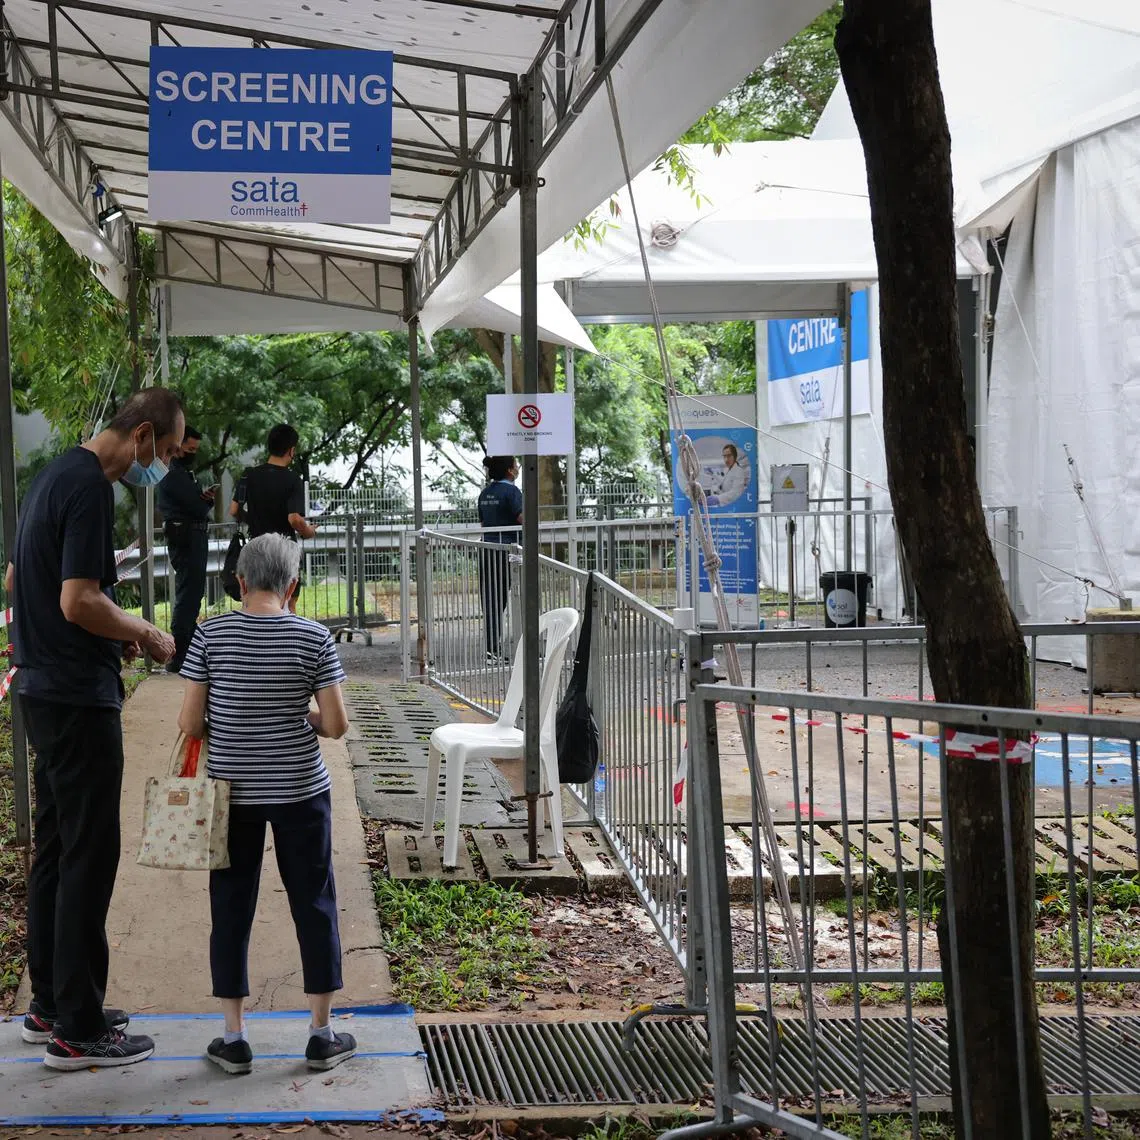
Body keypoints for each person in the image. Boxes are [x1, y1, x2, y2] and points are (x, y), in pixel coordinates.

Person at [10, 389, 182, 1070]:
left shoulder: (53, 474)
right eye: (165, 453)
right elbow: (78, 599)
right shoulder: (89, 489)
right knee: (89, 854)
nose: (162, 467)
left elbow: (30, 578)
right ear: (140, 435)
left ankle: (52, 1001)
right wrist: (144, 629)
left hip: (42, 690)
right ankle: (77, 1029)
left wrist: (114, 634)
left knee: (57, 850)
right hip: (77, 701)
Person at [177, 533, 354, 1076]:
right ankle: (321, 1035)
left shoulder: (210, 634)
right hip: (301, 790)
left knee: (230, 905)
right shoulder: (313, 638)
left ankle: (233, 1039)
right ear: (292, 586)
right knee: (314, 901)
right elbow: (336, 725)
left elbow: (189, 724)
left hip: (232, 792)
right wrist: (299, 717)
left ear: (240, 581)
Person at [230, 424, 317, 614]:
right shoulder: (293, 479)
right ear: (291, 450)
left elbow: (234, 509)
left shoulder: (249, 475)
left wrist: (252, 519)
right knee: (288, 604)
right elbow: (294, 519)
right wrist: (309, 531)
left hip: (256, 549)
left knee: (252, 603)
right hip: (285, 552)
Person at [157, 426, 216, 672]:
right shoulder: (174, 474)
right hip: (187, 537)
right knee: (188, 596)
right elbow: (196, 507)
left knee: (192, 595)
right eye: (190, 448)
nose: (193, 453)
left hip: (192, 536)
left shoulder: (182, 473)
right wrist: (206, 501)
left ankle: (186, 651)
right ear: (179, 445)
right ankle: (180, 654)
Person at [476, 455, 522, 662]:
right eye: (516, 465)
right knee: (511, 598)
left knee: (491, 600)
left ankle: (491, 650)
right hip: (508, 552)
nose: (519, 468)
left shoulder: (485, 493)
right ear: (510, 471)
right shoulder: (512, 492)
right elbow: (523, 518)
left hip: (487, 550)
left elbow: (484, 522)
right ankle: (521, 650)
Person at [706, 443, 749, 508]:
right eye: (724, 456)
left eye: (729, 456)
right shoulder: (728, 470)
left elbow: (735, 493)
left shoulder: (739, 471)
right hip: (726, 502)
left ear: (735, 456)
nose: (726, 459)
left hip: (733, 506)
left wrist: (718, 498)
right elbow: (723, 481)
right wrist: (713, 474)